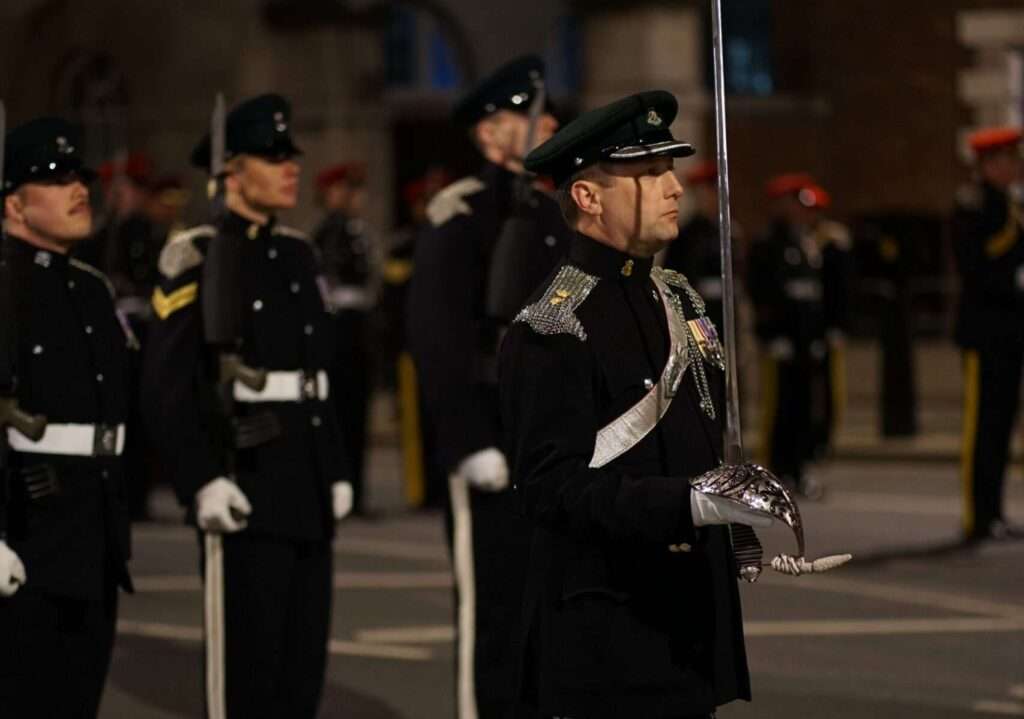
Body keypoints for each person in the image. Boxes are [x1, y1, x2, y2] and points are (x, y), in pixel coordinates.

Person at [500, 90, 775, 719]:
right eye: (649, 173)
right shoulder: (553, 325)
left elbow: (693, 445)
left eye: (669, 168)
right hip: (610, 635)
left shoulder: (678, 299)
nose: (674, 186)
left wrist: (729, 517)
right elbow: (551, 490)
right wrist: (688, 504)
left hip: (688, 625)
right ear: (587, 197)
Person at [140, 93, 353, 718]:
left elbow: (319, 375)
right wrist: (199, 478)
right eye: (272, 156)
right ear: (230, 171)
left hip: (307, 479)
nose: (292, 168)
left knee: (301, 668)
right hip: (245, 479)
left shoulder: (298, 253)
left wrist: (336, 467)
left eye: (291, 156)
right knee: (248, 673)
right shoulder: (198, 255)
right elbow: (168, 382)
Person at [406, 55, 572, 718]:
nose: (550, 123)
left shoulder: (563, 212)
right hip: (496, 439)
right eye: (530, 115)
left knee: (555, 621)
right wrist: (468, 439)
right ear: (489, 134)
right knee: (496, 620)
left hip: (560, 442)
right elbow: (438, 339)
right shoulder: (463, 215)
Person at [0, 116, 134, 717]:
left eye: (79, 175)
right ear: (14, 204)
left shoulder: (91, 289)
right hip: (26, 533)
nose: (78, 188)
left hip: (93, 537)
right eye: (54, 178)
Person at [952, 126, 1024, 542]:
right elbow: (975, 267)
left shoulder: (1008, 204)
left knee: (1001, 426)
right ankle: (976, 516)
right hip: (984, 334)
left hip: (1010, 333)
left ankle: (994, 510)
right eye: (1008, 160)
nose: (1014, 167)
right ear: (988, 164)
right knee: (982, 427)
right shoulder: (975, 205)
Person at [748, 173, 828, 499]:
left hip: (804, 343)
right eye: (793, 203)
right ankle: (774, 474)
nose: (798, 210)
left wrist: (817, 336)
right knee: (778, 412)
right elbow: (761, 293)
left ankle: (797, 471)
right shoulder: (767, 244)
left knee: (803, 411)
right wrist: (770, 335)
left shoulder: (802, 242)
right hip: (780, 343)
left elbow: (811, 295)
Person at [313, 162, 376, 516]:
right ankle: (343, 487)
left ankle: (357, 488)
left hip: (357, 324)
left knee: (356, 411)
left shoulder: (355, 230)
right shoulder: (329, 232)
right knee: (342, 412)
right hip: (339, 326)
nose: (354, 197)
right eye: (346, 190)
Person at [661, 159, 744, 330]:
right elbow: (674, 275)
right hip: (699, 312)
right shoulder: (687, 233)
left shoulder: (729, 230)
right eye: (706, 193)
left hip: (727, 311)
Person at [802, 181, 852, 459]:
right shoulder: (799, 242)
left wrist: (838, 325)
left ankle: (825, 436)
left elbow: (841, 288)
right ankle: (808, 437)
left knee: (830, 387)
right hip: (807, 327)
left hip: (827, 325)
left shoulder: (833, 243)